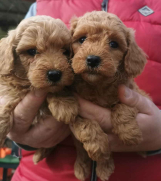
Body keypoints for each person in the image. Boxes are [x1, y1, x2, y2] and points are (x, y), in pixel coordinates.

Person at [6, 0, 161, 180]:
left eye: (112, 44)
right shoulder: (40, 7)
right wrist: (16, 128)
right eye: (81, 40)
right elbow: (12, 74)